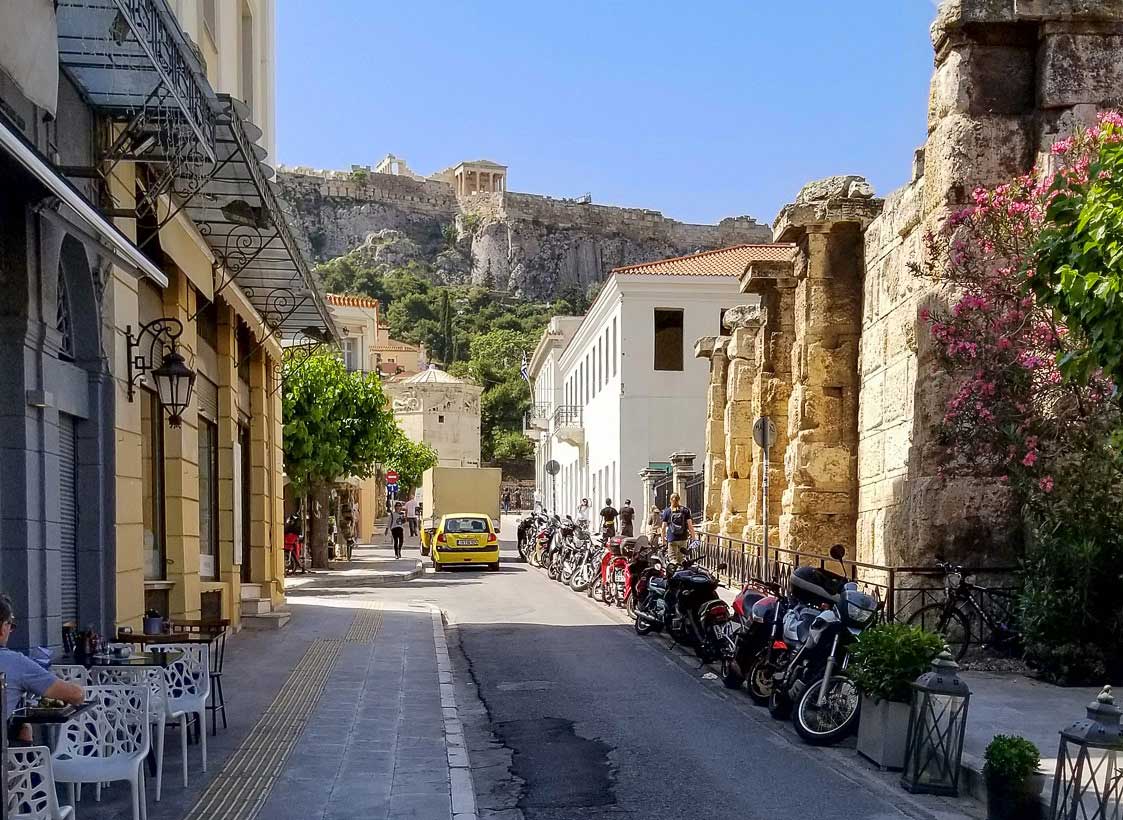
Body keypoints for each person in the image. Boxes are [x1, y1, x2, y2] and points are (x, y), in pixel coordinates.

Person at [1, 594, 84, 740]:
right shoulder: (15, 663)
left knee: (23, 729)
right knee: (25, 730)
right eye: (10, 625)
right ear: (2, 628)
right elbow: (76, 695)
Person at [661, 493, 696, 564]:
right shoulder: (685, 510)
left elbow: (663, 527)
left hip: (672, 538)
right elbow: (690, 526)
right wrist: (693, 537)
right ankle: (681, 572)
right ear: (679, 500)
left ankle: (675, 572)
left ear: (670, 500)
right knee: (681, 559)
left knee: (672, 558)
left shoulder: (667, 511)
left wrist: (663, 540)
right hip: (683, 537)